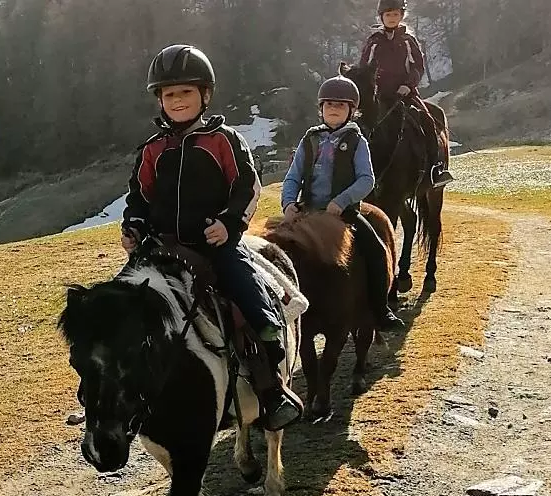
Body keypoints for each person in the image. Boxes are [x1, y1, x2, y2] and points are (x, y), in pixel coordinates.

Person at [119, 44, 303, 431]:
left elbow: (247, 187)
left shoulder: (224, 140)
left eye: (186, 91)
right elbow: (139, 196)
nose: (177, 100)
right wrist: (133, 226)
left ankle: (272, 384)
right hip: (162, 248)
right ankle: (118, 392)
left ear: (205, 94)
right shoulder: (152, 150)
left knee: (249, 295)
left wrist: (228, 225)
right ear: (159, 100)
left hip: (215, 245)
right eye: (169, 93)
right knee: (118, 305)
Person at [281, 75, 403, 331]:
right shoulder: (309, 140)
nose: (333, 109)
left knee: (376, 250)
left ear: (352, 110)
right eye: (329, 104)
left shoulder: (358, 142)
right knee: (276, 249)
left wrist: (341, 201)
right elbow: (293, 177)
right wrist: (289, 203)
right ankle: (280, 313)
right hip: (308, 212)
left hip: (344, 213)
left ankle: (381, 309)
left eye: (340, 105)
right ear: (321, 108)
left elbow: (366, 179)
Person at [359, 0, 455, 187]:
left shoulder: (408, 41)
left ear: (401, 16)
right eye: (388, 15)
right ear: (381, 17)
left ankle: (436, 169)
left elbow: (417, 67)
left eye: (395, 14)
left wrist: (408, 85)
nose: (392, 18)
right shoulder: (373, 42)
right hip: (377, 96)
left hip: (404, 94)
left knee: (428, 119)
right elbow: (364, 69)